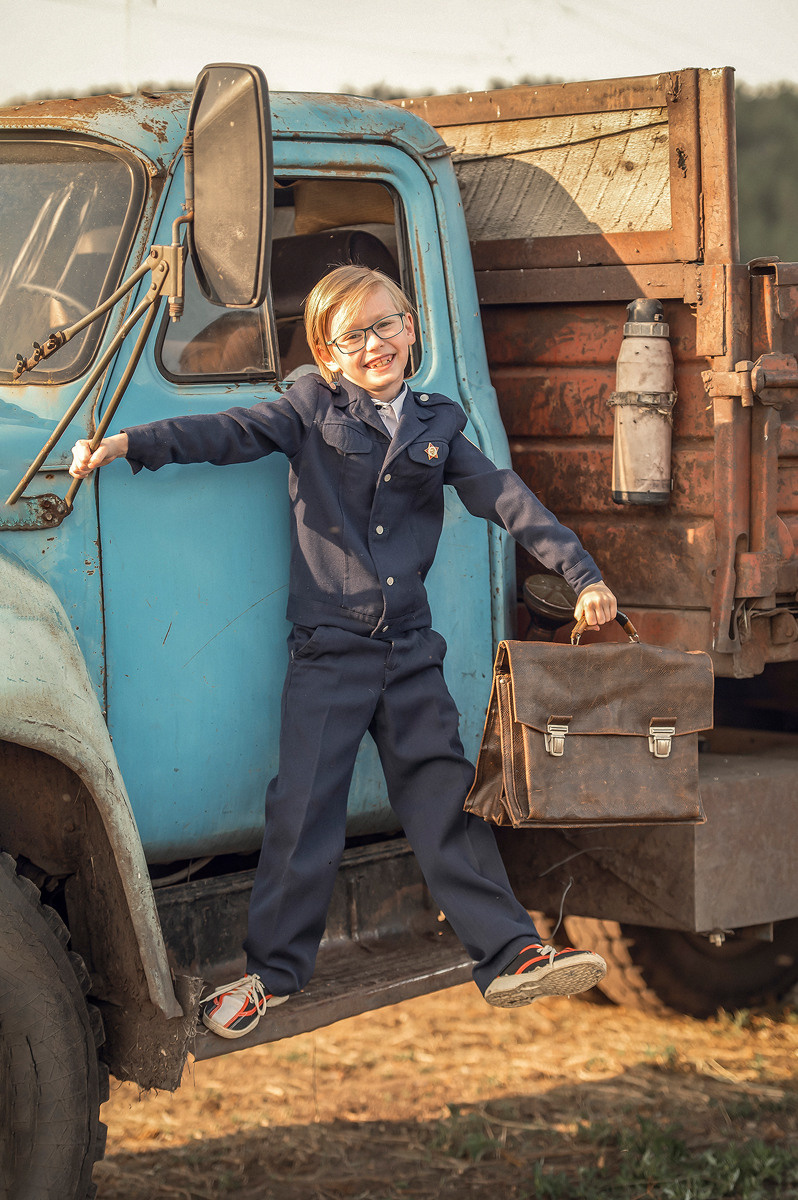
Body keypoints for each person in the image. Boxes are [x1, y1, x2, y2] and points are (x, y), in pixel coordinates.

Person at [70, 264, 618, 1039]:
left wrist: (580, 571)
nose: (374, 344)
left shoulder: (437, 423)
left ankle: (510, 953)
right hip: (331, 654)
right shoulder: (308, 410)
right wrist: (131, 443)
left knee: (445, 799)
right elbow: (227, 434)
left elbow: (503, 495)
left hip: (411, 652)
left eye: (386, 324)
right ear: (327, 355)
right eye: (352, 335)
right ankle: (273, 974)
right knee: (304, 811)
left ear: (413, 328)